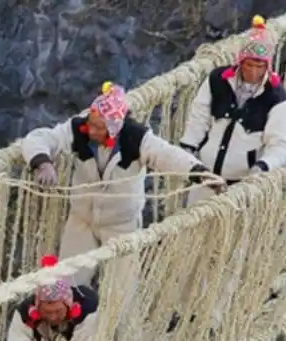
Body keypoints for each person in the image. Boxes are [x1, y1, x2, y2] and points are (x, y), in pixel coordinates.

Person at [22, 81, 225, 288]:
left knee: (122, 290)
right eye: (90, 123)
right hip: (82, 220)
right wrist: (42, 162)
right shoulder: (77, 129)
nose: (90, 130)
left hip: (122, 225)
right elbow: (41, 138)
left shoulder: (136, 138)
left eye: (98, 127)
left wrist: (199, 172)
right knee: (67, 283)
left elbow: (167, 155)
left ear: (113, 129)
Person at [179, 14, 286, 203]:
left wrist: (263, 166)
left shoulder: (276, 97)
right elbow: (199, 118)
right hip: (205, 178)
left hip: (242, 187)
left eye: (260, 66)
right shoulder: (217, 80)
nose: (253, 71)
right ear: (240, 61)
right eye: (249, 64)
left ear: (268, 66)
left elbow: (279, 144)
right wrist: (188, 148)